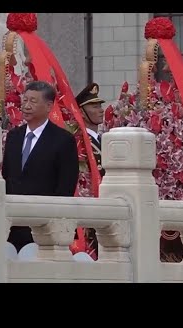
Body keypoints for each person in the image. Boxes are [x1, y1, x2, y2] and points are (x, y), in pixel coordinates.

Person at [2, 80, 80, 252]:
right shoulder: (14, 137)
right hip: (13, 226)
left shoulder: (63, 140)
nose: (26, 106)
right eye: (25, 100)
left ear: (49, 106)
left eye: (33, 101)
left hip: (45, 228)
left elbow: (65, 187)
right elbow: (6, 178)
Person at [75, 83, 106, 259]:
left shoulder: (103, 139)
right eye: (94, 107)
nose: (101, 110)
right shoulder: (80, 141)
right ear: (81, 112)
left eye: (100, 105)